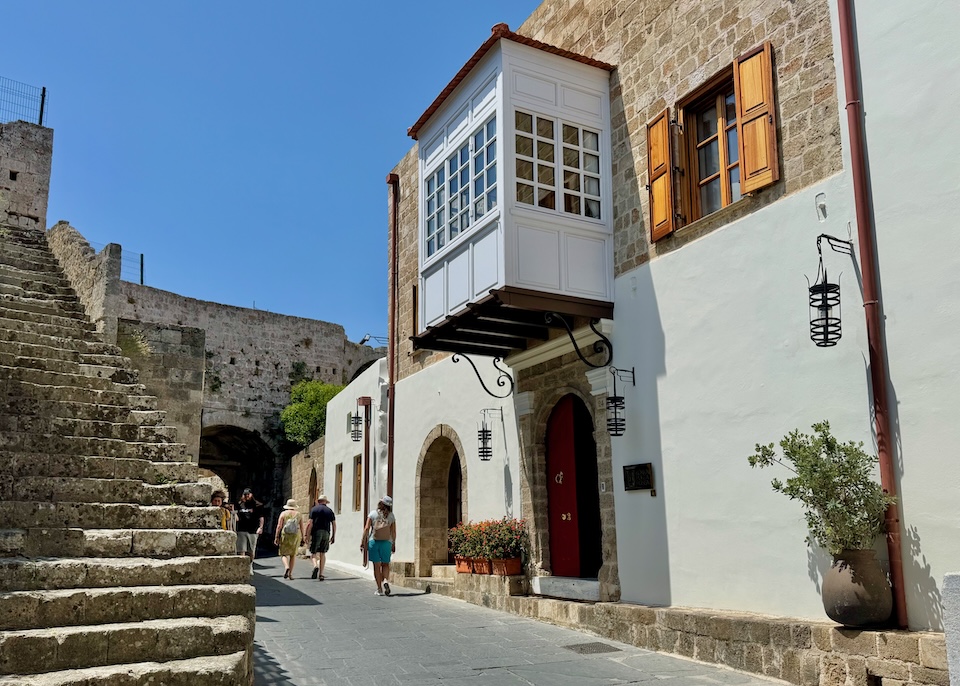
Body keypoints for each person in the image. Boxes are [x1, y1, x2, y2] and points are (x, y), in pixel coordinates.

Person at [361, 495, 396, 596]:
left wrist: (363, 541)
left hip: (374, 542)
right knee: (385, 564)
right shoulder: (391, 516)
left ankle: (379, 589)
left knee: (377, 566)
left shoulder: (373, 514)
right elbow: (393, 532)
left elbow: (367, 528)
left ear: (380, 504)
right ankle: (385, 580)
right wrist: (393, 543)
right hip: (386, 542)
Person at [305, 494, 336, 580]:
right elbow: (334, 524)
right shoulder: (329, 511)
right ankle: (321, 574)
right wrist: (333, 535)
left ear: (318, 501)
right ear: (326, 502)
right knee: (323, 553)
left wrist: (307, 535)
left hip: (316, 532)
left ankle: (315, 566)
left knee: (313, 552)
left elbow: (310, 523)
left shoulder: (314, 510)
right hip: (326, 532)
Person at [274, 499, 305, 580]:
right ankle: (290, 574)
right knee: (292, 555)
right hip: (295, 536)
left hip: (285, 535)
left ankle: (286, 566)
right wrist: (303, 538)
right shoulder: (299, 514)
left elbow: (279, 526)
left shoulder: (283, 514)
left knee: (283, 553)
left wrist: (276, 536)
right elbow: (302, 527)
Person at [235, 488, 265, 562]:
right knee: (241, 550)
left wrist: (260, 527)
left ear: (251, 495)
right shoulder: (239, 504)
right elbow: (236, 516)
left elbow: (261, 517)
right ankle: (242, 567)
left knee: (251, 550)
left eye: (248, 494)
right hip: (241, 530)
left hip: (253, 530)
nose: (246, 496)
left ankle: (249, 565)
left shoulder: (257, 505)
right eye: (245, 494)